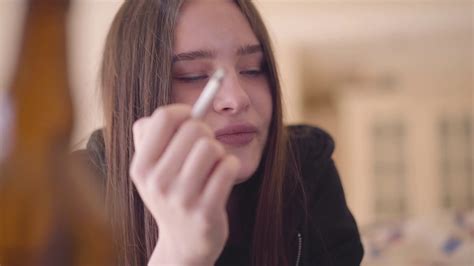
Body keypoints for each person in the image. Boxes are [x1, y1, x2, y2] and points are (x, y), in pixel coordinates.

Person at [75, 0, 364, 265]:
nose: (237, 99)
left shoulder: (307, 170)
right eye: (193, 75)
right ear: (136, 96)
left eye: (252, 69)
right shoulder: (73, 197)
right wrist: (179, 254)